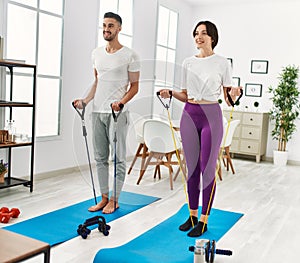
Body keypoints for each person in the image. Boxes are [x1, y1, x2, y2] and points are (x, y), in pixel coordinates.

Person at [159, 21, 241, 237]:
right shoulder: (188, 62)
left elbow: (228, 98)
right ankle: (193, 215)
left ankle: (204, 220)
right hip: (189, 114)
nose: (199, 37)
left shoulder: (222, 63)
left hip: (211, 115)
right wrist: (170, 93)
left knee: (207, 169)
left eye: (204, 33)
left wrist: (234, 94)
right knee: (192, 169)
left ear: (212, 37)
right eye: (196, 33)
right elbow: (185, 94)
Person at [73, 12, 140, 214]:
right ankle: (103, 198)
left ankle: (115, 199)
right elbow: (97, 82)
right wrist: (85, 101)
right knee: (100, 158)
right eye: (104, 25)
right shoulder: (96, 53)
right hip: (97, 113)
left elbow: (135, 86)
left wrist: (121, 102)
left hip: (117, 113)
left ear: (119, 28)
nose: (106, 29)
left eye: (111, 25)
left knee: (118, 158)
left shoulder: (130, 55)